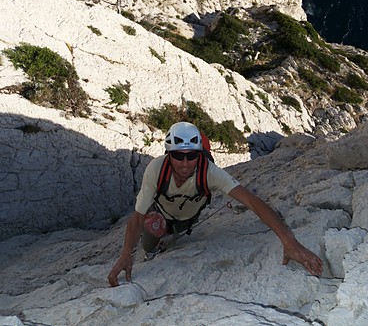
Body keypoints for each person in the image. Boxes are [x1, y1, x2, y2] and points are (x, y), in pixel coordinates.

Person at [108, 122, 323, 286]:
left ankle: (170, 237)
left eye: (191, 156)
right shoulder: (156, 169)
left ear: (200, 154)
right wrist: (126, 254)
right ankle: (155, 246)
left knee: (170, 233)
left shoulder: (209, 172)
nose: (185, 163)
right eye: (178, 156)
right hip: (159, 214)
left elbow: (252, 202)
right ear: (168, 155)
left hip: (185, 220)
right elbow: (137, 217)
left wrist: (289, 241)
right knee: (151, 232)